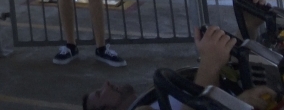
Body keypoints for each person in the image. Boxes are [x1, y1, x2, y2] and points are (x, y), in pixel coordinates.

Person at [83, 26, 279, 110]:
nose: (106, 83)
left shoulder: (158, 94)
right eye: (100, 93)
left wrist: (249, 27)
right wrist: (209, 64)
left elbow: (232, 74)